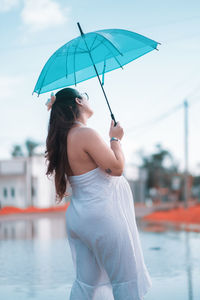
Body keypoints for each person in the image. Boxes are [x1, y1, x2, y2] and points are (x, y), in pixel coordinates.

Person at [45, 87, 152, 300]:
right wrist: (115, 140)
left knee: (86, 284)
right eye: (85, 96)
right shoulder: (84, 133)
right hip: (102, 217)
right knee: (125, 281)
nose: (87, 99)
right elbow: (116, 167)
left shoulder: (62, 139)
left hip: (78, 218)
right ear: (79, 101)